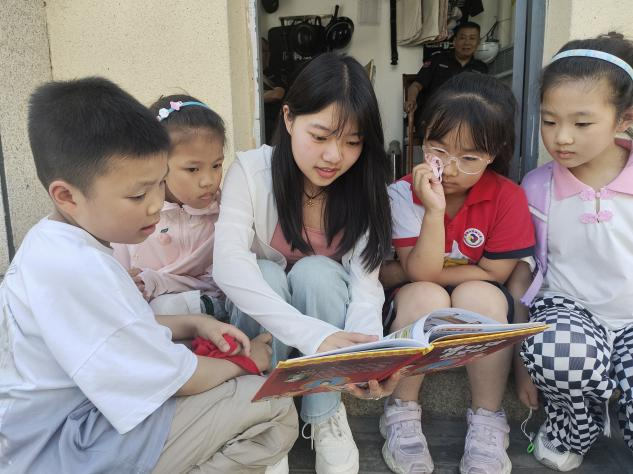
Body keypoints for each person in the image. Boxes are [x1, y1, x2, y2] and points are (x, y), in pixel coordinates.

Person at [0, 77, 298, 474]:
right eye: (138, 195)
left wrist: (194, 322)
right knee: (274, 406)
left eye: (160, 184)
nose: (157, 204)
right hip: (68, 447)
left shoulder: (50, 243)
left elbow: (116, 327)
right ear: (68, 196)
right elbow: (180, 379)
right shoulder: (82, 269)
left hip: (48, 433)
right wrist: (249, 361)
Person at [213, 52, 401, 474]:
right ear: (288, 118)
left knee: (317, 273)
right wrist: (314, 336)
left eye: (352, 142)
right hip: (267, 321)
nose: (334, 156)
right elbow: (228, 265)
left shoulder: (365, 188)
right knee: (264, 272)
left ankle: (324, 414)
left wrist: (366, 358)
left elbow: (365, 286)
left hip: (324, 311)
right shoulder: (251, 171)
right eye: (320, 136)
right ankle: (263, 418)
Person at [381, 72, 535, 474]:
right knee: (425, 295)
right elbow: (425, 273)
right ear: (423, 137)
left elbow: (495, 272)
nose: (448, 169)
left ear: (493, 154)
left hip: (477, 296)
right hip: (416, 299)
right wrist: (433, 212)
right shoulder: (403, 192)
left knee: (478, 296)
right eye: (438, 150)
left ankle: (487, 419)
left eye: (468, 158)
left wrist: (416, 271)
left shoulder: (507, 196)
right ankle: (401, 410)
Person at [511, 33, 633, 471]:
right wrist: (523, 364)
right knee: (558, 352)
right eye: (549, 121)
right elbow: (524, 275)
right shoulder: (537, 187)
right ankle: (570, 428)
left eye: (582, 124)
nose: (561, 138)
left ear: (624, 119)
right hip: (568, 312)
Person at [113, 94, 228, 319]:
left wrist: (155, 281)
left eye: (216, 165)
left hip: (220, 309)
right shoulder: (134, 217)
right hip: (156, 321)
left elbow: (222, 281)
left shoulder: (225, 210)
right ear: (159, 163)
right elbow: (122, 282)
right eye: (193, 169)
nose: (209, 180)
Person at [404, 21, 488, 128]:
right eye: (462, 38)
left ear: (478, 42)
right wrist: (411, 100)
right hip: (434, 119)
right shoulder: (438, 59)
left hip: (466, 121)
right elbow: (416, 85)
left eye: (472, 38)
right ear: (454, 41)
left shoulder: (481, 68)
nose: (467, 42)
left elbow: (485, 98)